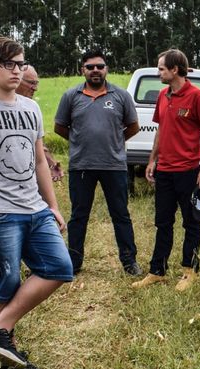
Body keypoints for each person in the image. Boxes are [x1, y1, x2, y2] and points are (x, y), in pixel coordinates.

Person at [0, 37, 74, 368]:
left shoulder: (30, 108)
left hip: (35, 208)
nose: (17, 71)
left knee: (60, 267)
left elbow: (40, 161)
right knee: (7, 281)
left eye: (20, 64)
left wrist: (53, 205)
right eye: (9, 65)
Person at [132, 49, 200, 291]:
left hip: (188, 171)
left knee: (191, 223)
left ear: (175, 69)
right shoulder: (162, 95)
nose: (158, 72)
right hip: (165, 172)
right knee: (163, 223)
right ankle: (157, 271)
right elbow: (161, 129)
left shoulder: (197, 96)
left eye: (161, 68)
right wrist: (152, 160)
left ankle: (190, 271)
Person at [54, 50, 141, 275]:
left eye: (100, 66)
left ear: (106, 69)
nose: (95, 70)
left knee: (120, 214)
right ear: (82, 70)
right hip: (81, 166)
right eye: (90, 67)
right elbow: (60, 127)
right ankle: (74, 263)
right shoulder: (71, 96)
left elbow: (133, 126)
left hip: (114, 165)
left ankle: (129, 262)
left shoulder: (121, 96)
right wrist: (79, 140)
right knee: (78, 216)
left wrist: (114, 140)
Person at [17, 64, 63, 182]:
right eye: (31, 83)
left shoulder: (32, 108)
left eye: (36, 83)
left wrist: (51, 164)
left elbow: (38, 144)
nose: (35, 88)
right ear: (17, 79)